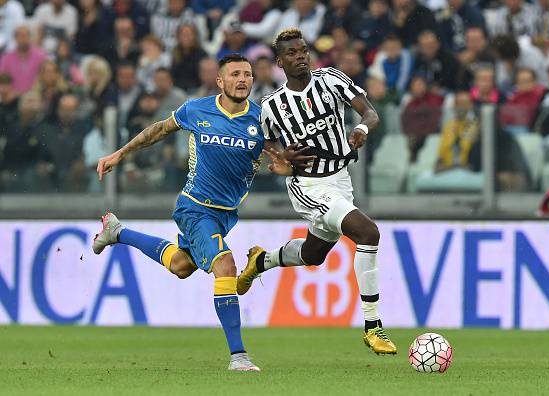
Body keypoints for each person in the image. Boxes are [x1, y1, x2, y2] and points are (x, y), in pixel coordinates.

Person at [92, 54, 309, 372]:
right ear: (220, 81)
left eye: (247, 74)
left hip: (226, 213)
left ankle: (117, 232)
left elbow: (278, 158)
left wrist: (283, 168)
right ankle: (239, 356)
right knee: (226, 265)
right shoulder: (197, 109)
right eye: (235, 74)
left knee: (181, 266)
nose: (243, 79)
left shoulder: (261, 119)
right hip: (195, 207)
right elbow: (158, 130)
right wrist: (120, 153)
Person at [237, 28, 398, 355]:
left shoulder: (332, 80)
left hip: (340, 179)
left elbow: (370, 111)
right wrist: (281, 154)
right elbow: (262, 141)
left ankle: (261, 260)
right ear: (281, 62)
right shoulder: (273, 105)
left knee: (314, 255)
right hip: (308, 185)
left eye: (303, 50)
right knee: (368, 233)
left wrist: (362, 127)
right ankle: (372, 326)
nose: (301, 57)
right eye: (292, 53)